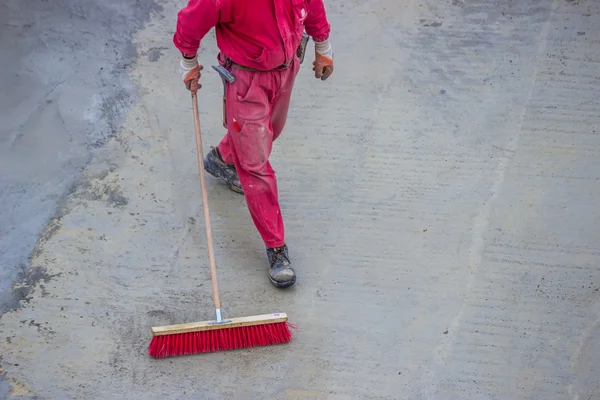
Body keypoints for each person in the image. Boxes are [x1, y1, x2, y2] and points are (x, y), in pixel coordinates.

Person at [173, 0, 334, 288]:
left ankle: (222, 158)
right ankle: (276, 249)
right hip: (247, 81)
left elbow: (311, 4)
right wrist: (188, 62)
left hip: (286, 69)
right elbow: (190, 21)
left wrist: (323, 47)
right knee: (255, 164)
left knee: (269, 131)